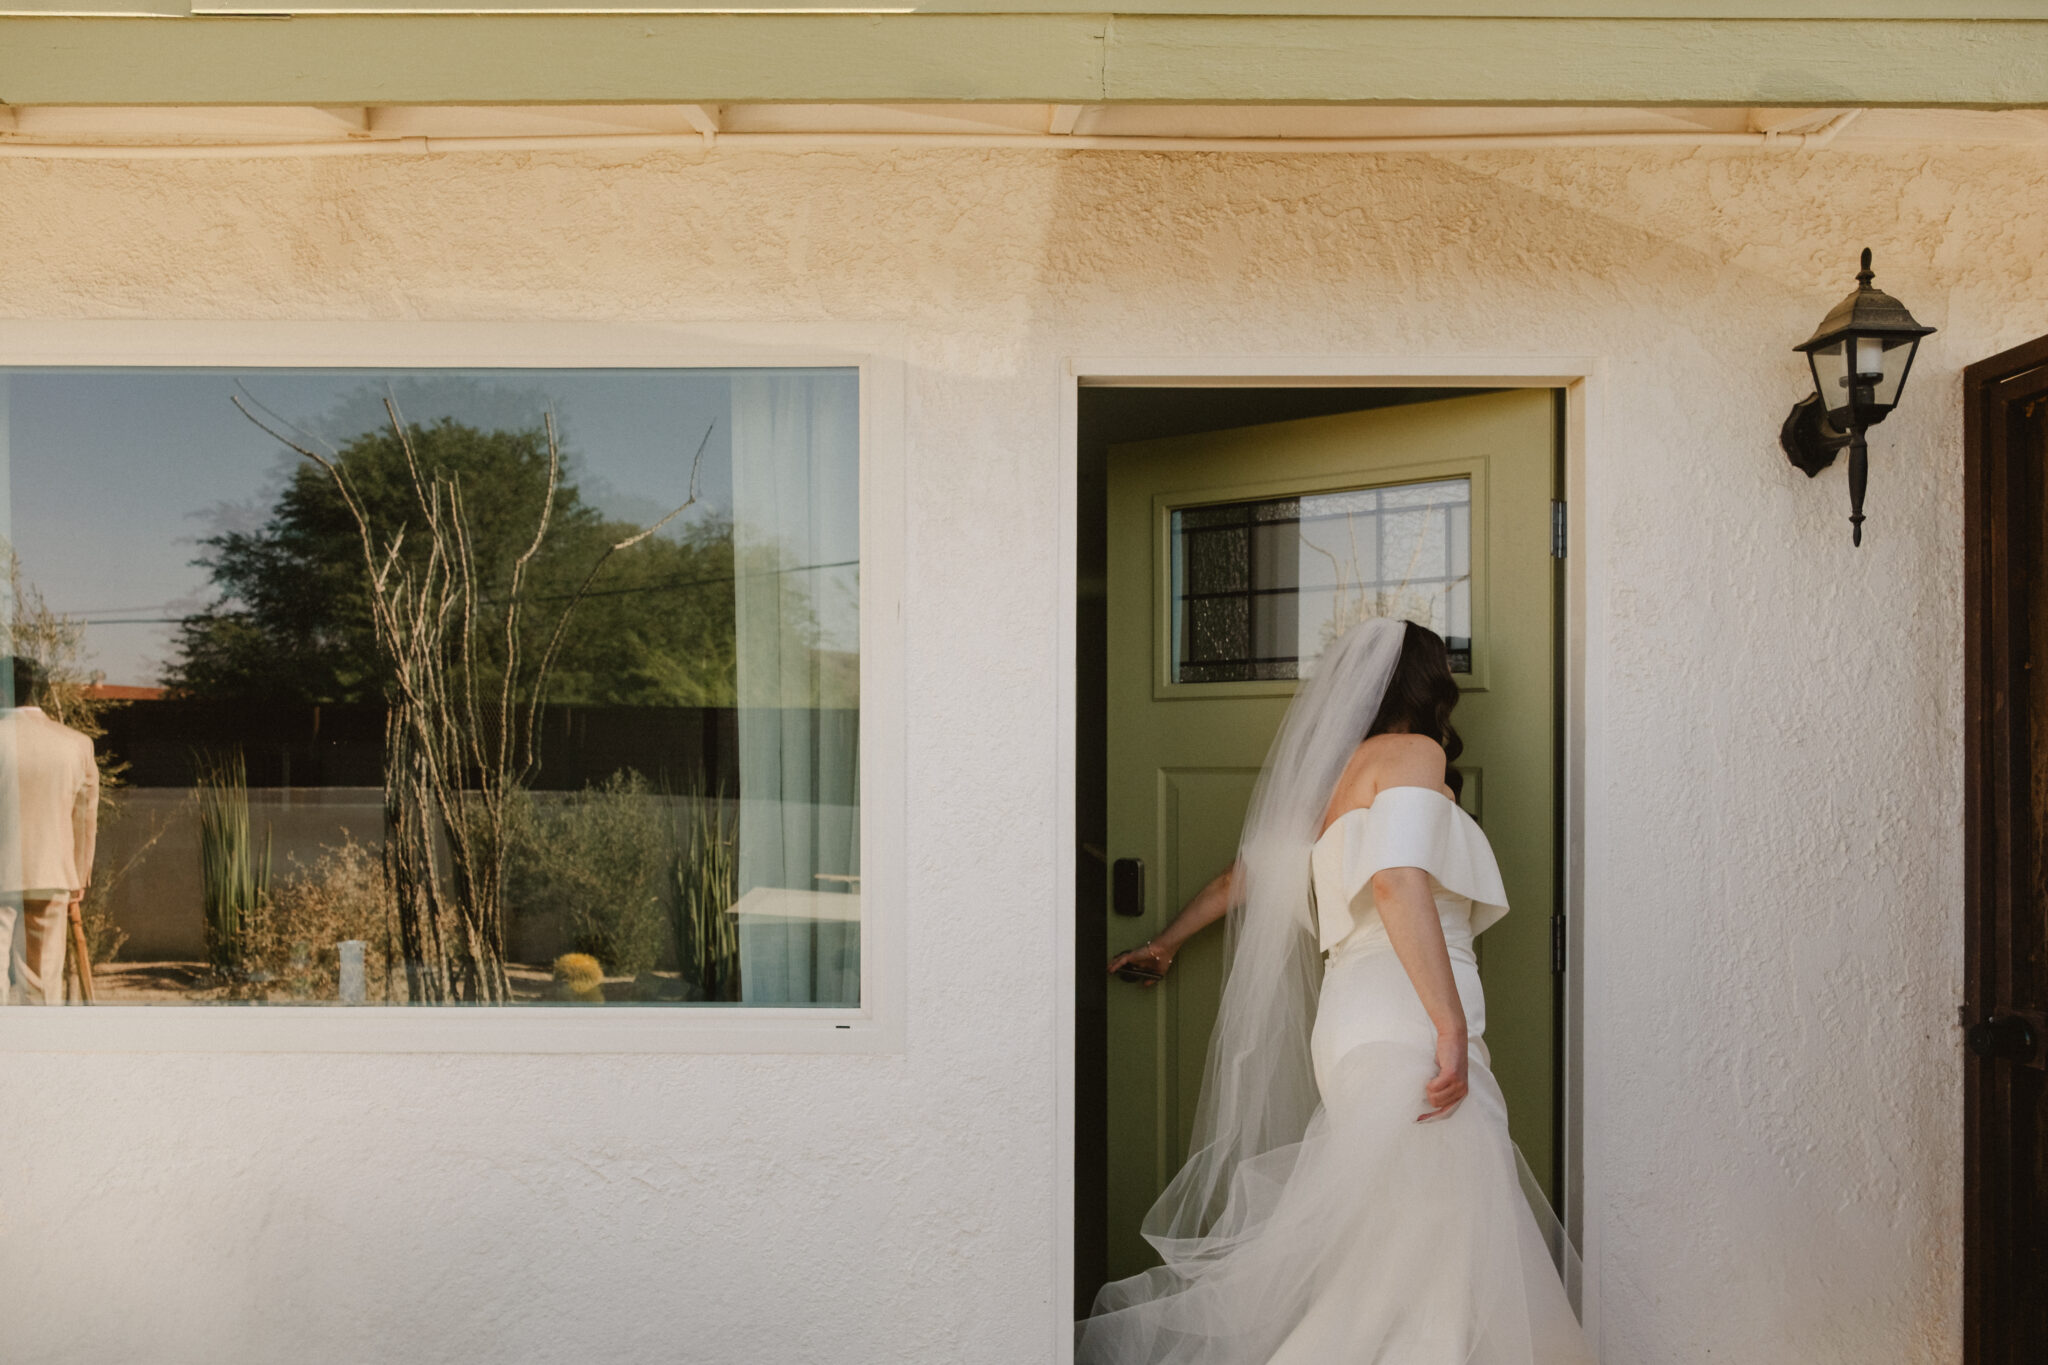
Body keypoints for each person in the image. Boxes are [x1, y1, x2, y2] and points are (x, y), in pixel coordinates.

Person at [1079, 617, 1592, 1364]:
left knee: (1401, 1247)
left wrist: (1164, 943)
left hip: (1348, 1028)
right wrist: (1447, 1024)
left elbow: (1238, 879)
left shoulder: (1325, 789)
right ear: (1427, 685)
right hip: (1407, 1021)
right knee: (1438, 1250)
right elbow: (1394, 879)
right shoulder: (1412, 754)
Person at [0, 655, 100, 1005]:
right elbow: (85, 817)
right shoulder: (76, 744)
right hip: (52, 872)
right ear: (41, 691)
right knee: (42, 983)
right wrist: (78, 875)